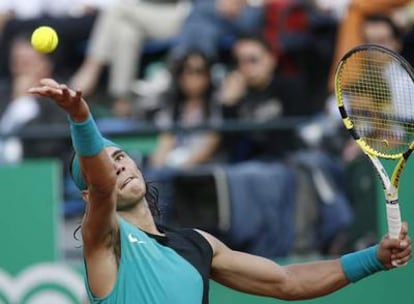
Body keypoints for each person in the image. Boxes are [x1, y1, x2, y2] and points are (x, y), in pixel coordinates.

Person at [28, 78, 411, 303]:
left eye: (123, 155)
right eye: (106, 161)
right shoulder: (105, 240)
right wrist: (81, 119)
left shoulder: (197, 244)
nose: (119, 164)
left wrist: (374, 259)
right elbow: (101, 186)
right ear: (87, 197)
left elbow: (287, 282)